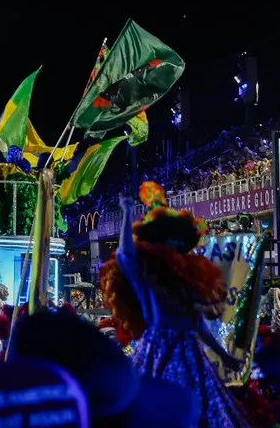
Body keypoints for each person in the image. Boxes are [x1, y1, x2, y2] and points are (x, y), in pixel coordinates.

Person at [100, 181, 251, 427]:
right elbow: (124, 254)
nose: (175, 246)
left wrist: (224, 356)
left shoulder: (187, 281)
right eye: (170, 240)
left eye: (179, 241)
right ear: (159, 243)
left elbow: (197, 323)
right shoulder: (146, 275)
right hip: (158, 350)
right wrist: (127, 214)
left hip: (189, 352)